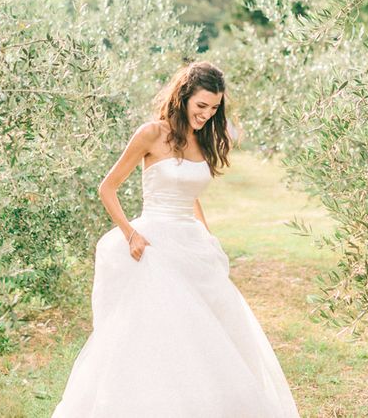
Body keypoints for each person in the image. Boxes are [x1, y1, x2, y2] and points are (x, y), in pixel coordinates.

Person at [52, 61, 300, 417]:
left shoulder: (203, 140)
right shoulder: (151, 134)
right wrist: (130, 233)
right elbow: (107, 188)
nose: (206, 114)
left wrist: (208, 236)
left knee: (209, 335)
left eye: (214, 108)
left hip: (191, 244)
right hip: (153, 243)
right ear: (183, 97)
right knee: (158, 332)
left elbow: (190, 195)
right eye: (201, 106)